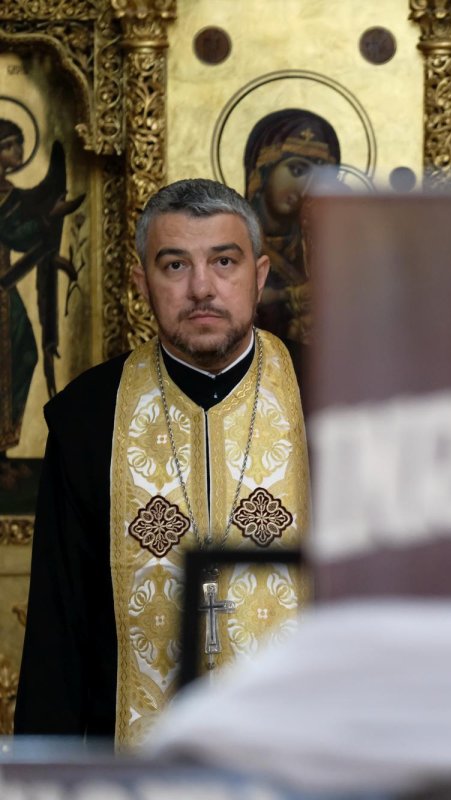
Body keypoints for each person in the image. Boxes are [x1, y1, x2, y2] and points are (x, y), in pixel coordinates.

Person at [15, 178, 310, 749]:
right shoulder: (86, 419)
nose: (202, 288)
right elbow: (58, 631)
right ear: (140, 283)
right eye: (174, 266)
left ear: (261, 274)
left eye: (224, 261)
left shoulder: (330, 400)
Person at [0, 121, 84, 451]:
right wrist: (50, 216)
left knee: (22, 357)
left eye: (21, 145)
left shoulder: (13, 195)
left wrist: (50, 236)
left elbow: (23, 240)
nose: (18, 153)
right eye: (10, 146)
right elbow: (12, 233)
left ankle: (4, 452)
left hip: (5, 293)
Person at [243, 108, 340, 344]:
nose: (307, 185)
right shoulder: (233, 241)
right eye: (297, 170)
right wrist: (290, 296)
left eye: (321, 175)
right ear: (263, 169)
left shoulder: (323, 244)